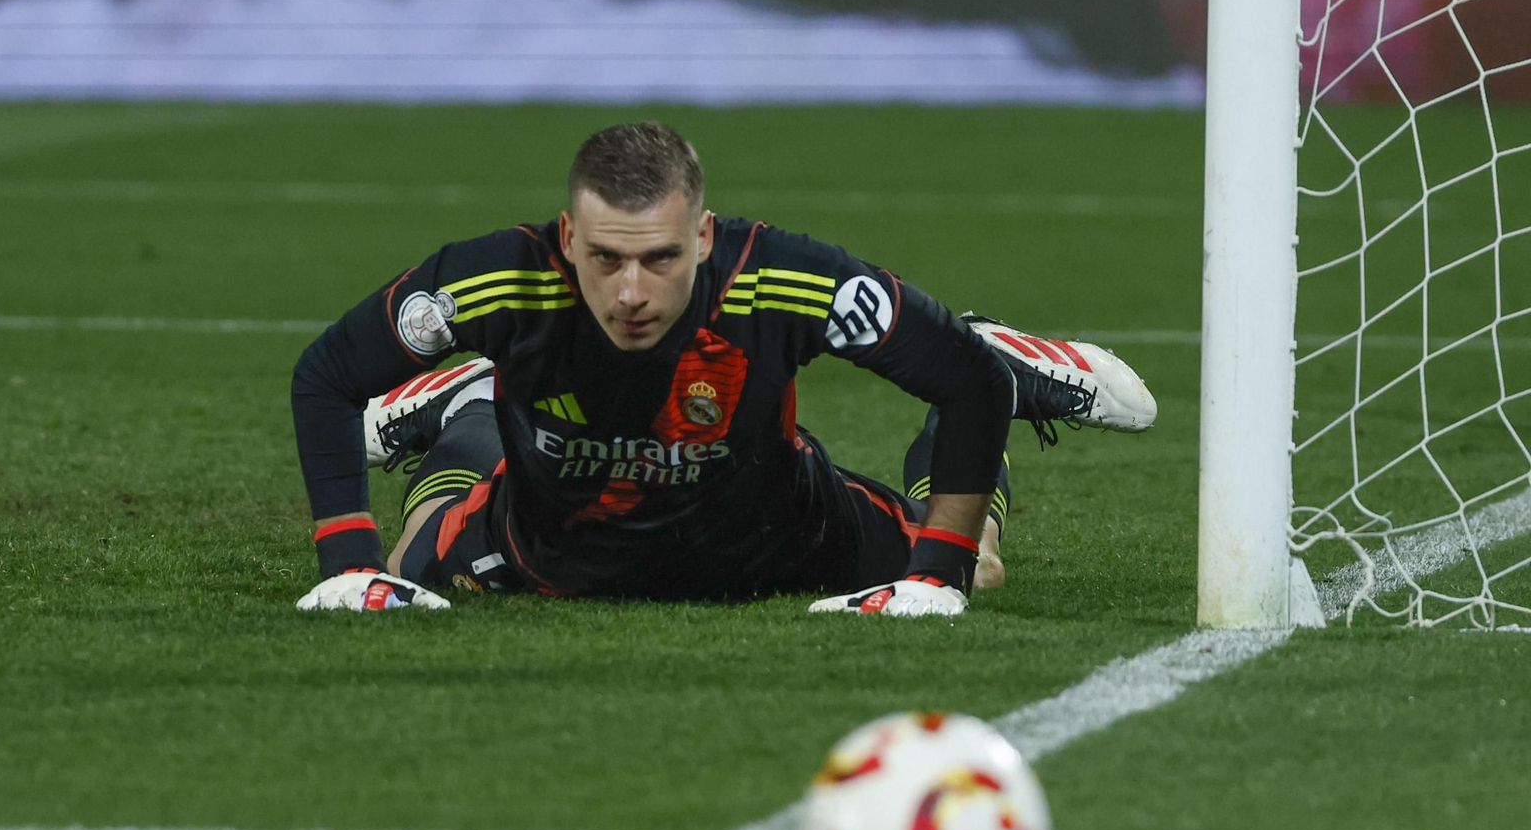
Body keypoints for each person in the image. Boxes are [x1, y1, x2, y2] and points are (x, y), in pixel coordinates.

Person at [291, 122, 1155, 618]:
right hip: (546, 541)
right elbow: (328, 373)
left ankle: (996, 347)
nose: (631, 291)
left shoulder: (779, 275)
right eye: (605, 260)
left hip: (784, 535)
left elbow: (964, 387)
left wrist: (936, 578)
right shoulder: (497, 278)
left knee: (980, 564)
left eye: (661, 259)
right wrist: (346, 563)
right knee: (403, 560)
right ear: (567, 239)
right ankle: (467, 403)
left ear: (703, 240)